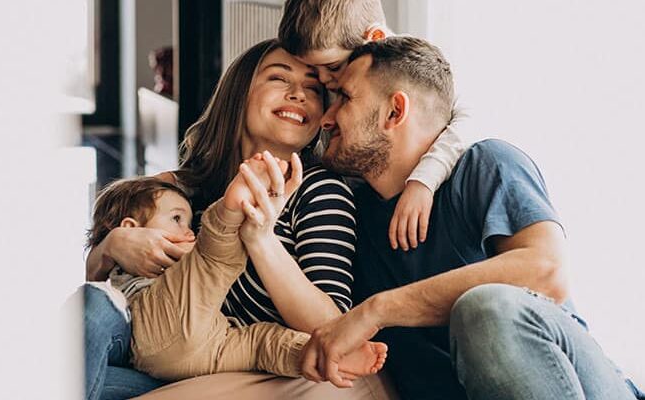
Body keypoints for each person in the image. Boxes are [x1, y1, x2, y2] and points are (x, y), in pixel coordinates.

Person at [298, 36, 645, 400]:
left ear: (395, 112)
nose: (325, 118)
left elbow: (546, 270)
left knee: (484, 309)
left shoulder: (483, 166)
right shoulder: (346, 215)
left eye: (344, 98)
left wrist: (377, 310)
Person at [83, 38, 394, 400]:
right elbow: (104, 289)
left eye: (312, 88)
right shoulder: (183, 188)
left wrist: (260, 238)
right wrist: (110, 246)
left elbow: (331, 323)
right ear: (240, 92)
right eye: (280, 79)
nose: (298, 94)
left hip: (240, 368)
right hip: (154, 358)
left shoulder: (319, 189)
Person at [85, 167, 387, 382]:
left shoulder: (321, 190)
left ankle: (322, 356)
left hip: (212, 340)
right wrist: (111, 246)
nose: (188, 230)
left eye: (189, 221)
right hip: (151, 334)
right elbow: (97, 292)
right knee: (213, 257)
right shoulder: (189, 186)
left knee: (263, 344)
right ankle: (229, 213)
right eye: (177, 219)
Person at [278, 0, 477, 253]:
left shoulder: (412, 69)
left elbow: (466, 120)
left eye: (332, 67)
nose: (324, 80)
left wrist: (423, 181)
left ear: (376, 37)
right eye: (314, 71)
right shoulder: (333, 69)